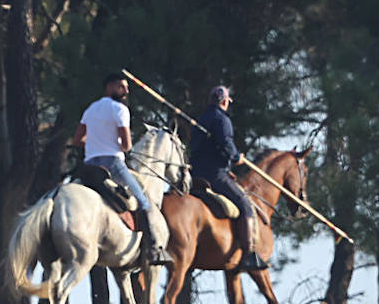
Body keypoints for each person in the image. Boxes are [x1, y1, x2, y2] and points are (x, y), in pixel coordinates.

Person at [71, 73, 170, 266]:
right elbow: (126, 146)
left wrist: (94, 143)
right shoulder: (120, 109)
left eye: (126, 87)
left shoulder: (90, 109)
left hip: (90, 165)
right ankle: (155, 250)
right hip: (113, 165)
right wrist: (114, 144)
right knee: (143, 200)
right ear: (109, 87)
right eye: (121, 86)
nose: (126, 90)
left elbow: (77, 140)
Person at [189, 85, 268, 271]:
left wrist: (226, 166)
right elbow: (225, 143)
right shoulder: (222, 119)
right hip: (214, 175)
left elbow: (205, 148)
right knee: (245, 203)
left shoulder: (202, 119)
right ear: (224, 102)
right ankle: (249, 255)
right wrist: (236, 157)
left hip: (195, 173)